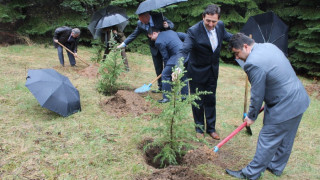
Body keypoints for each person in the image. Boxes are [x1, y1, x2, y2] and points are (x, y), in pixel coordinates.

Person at [225, 33, 310, 180]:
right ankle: (276, 167)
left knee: (267, 138)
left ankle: (250, 174)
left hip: (285, 104)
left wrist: (251, 116)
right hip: (299, 98)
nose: (236, 58)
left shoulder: (252, 63)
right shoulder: (269, 46)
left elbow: (257, 93)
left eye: (237, 53)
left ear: (245, 46)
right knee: (286, 137)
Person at [177, 4, 233, 140]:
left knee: (210, 99)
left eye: (214, 21)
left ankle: (211, 129)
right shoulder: (194, 31)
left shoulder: (220, 27)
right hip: (196, 72)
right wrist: (178, 66)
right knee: (198, 100)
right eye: (208, 20)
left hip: (213, 71)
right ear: (203, 17)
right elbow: (184, 50)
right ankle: (199, 128)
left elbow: (229, 37)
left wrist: (244, 41)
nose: (211, 24)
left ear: (218, 20)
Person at [117, 12, 174, 92]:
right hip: (154, 47)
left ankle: (170, 87)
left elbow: (171, 24)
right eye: (140, 20)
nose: (141, 22)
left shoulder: (158, 17)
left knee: (168, 66)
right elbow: (134, 34)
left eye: (142, 20)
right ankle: (161, 87)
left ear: (147, 17)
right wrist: (123, 44)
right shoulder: (140, 24)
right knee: (158, 67)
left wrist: (168, 26)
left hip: (165, 45)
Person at [147, 27, 188, 103]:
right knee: (183, 76)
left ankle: (166, 98)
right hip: (186, 54)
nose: (151, 39)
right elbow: (185, 36)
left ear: (155, 33)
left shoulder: (158, 42)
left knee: (165, 75)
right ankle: (184, 98)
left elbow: (165, 57)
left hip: (176, 55)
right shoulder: (170, 31)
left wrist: (166, 69)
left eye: (151, 37)